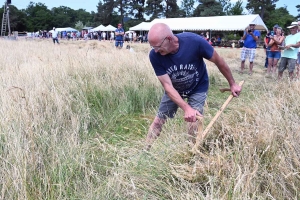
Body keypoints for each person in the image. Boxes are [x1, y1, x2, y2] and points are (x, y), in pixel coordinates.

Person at [145, 23, 242, 150]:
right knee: (158, 121)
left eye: (157, 46)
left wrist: (232, 83)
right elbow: (167, 86)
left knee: (194, 120)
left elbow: (218, 60)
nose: (156, 50)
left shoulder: (194, 42)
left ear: (169, 39)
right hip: (175, 90)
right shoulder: (155, 56)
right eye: (153, 47)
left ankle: (191, 152)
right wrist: (186, 108)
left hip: (198, 86)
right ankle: (145, 151)